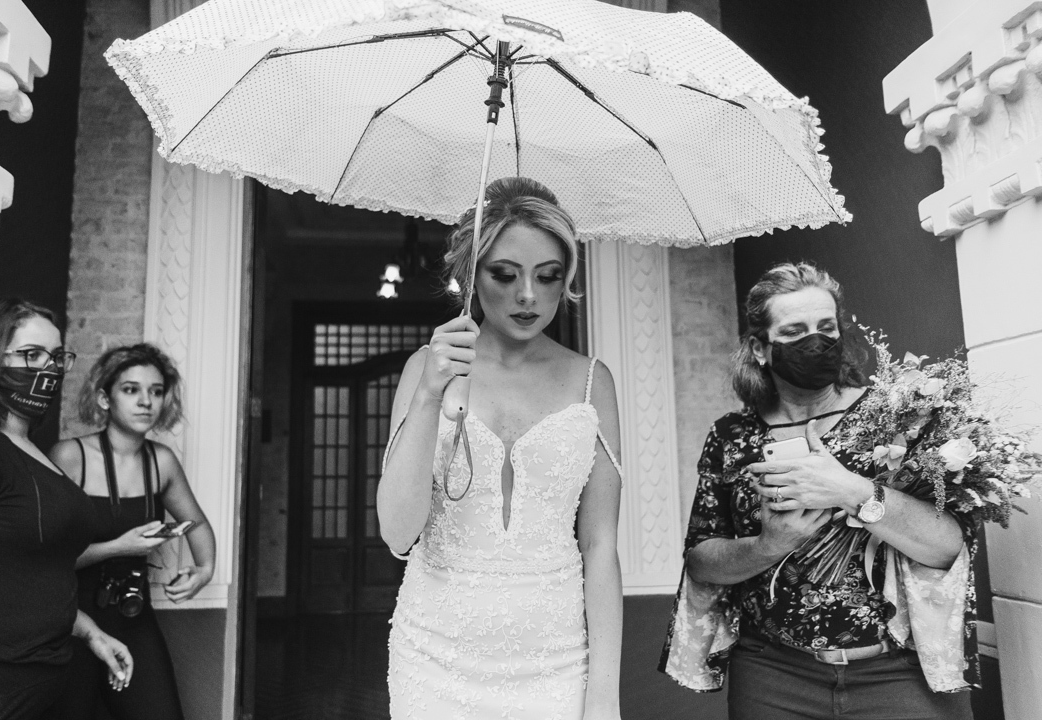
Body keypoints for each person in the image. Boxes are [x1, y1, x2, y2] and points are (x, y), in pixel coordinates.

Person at [659, 262, 975, 720]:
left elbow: (948, 548)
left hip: (901, 673)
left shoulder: (899, 419)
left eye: (826, 328)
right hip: (773, 677)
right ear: (760, 348)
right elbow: (701, 560)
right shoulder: (732, 436)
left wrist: (853, 490)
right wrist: (769, 545)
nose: (816, 342)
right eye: (794, 331)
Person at [378, 177, 625, 720]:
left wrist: (605, 696)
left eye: (548, 276)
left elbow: (600, 545)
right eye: (505, 275)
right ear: (471, 274)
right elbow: (397, 533)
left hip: (558, 662)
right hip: (433, 658)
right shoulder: (425, 370)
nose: (528, 295)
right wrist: (428, 396)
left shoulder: (592, 382)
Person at [0, 298, 133, 720]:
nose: (49, 368)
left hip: (55, 676)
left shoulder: (33, 450)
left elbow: (32, 575)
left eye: (56, 357)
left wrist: (91, 633)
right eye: (31, 354)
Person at [47, 343, 216, 720]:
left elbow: (197, 523)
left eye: (156, 391)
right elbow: (45, 560)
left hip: (133, 614)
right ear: (104, 399)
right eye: (131, 389)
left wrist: (205, 569)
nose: (146, 401)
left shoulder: (162, 461)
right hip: (70, 618)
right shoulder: (69, 456)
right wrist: (118, 547)